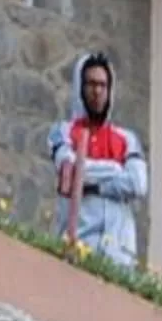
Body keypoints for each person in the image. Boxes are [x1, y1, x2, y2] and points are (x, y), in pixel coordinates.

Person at [48, 52, 146, 267]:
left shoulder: (126, 139)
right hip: (80, 243)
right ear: (80, 88)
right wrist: (116, 170)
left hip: (119, 252)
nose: (97, 92)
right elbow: (71, 170)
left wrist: (92, 184)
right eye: (91, 84)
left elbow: (138, 184)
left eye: (103, 85)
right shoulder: (63, 132)